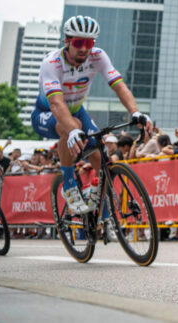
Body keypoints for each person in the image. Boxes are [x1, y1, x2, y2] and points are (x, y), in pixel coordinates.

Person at [31, 16, 151, 215]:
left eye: (89, 43)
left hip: (77, 110)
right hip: (47, 112)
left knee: (101, 155)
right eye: (79, 43)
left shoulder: (98, 56)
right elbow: (56, 103)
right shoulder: (52, 63)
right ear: (67, 41)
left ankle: (103, 213)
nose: (84, 49)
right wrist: (71, 131)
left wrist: (135, 112)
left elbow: (119, 86)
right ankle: (69, 184)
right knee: (73, 126)